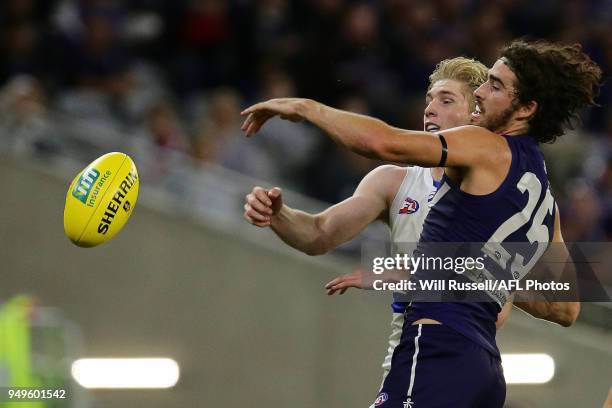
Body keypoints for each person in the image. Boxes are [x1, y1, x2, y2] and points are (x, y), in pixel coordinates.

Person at [241, 40, 600, 407]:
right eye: (431, 98)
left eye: (492, 86)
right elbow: (566, 307)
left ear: (525, 108)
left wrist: (306, 107)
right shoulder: (543, 197)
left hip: (436, 348)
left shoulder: (484, 147)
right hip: (483, 370)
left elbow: (381, 141)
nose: (480, 93)